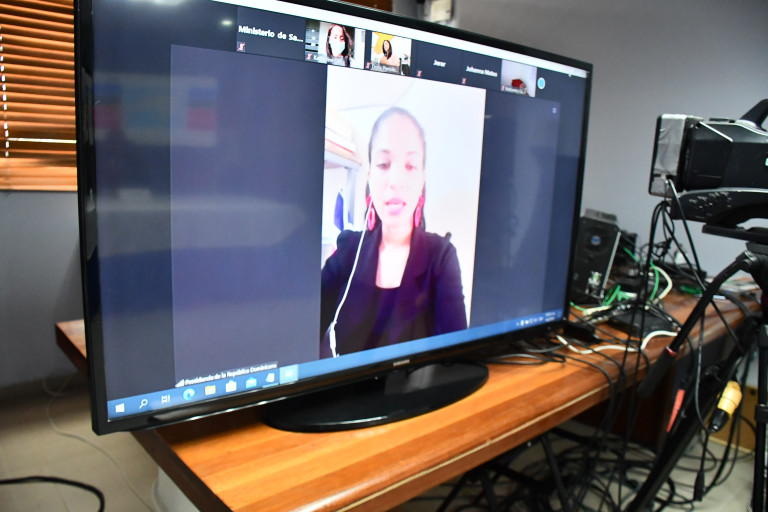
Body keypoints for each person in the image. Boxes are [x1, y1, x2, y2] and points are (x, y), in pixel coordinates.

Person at [320, 107, 467, 358]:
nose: (396, 180)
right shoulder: (348, 250)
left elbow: (457, 356)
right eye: (383, 164)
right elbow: (301, 329)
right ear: (370, 176)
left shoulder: (441, 257)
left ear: (422, 179)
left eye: (410, 165)